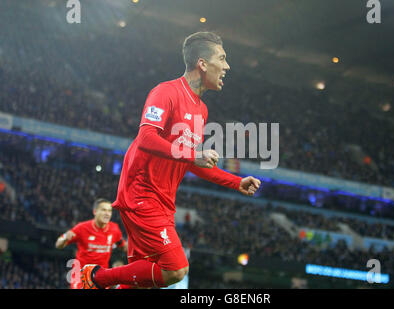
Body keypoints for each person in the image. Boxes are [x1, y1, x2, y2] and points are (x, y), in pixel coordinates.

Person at [80, 31, 261, 289]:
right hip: (141, 192)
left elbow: (191, 162)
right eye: (222, 58)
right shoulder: (165, 92)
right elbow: (146, 137)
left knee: (140, 281)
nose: (227, 66)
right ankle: (95, 277)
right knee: (176, 269)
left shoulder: (201, 109)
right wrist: (193, 155)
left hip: (164, 200)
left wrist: (236, 182)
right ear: (202, 63)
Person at [55, 198, 127, 289]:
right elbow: (58, 244)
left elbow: (123, 246)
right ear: (95, 211)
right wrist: (65, 239)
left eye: (109, 211)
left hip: (102, 275)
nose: (107, 214)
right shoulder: (82, 228)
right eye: (103, 210)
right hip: (81, 274)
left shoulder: (114, 229)